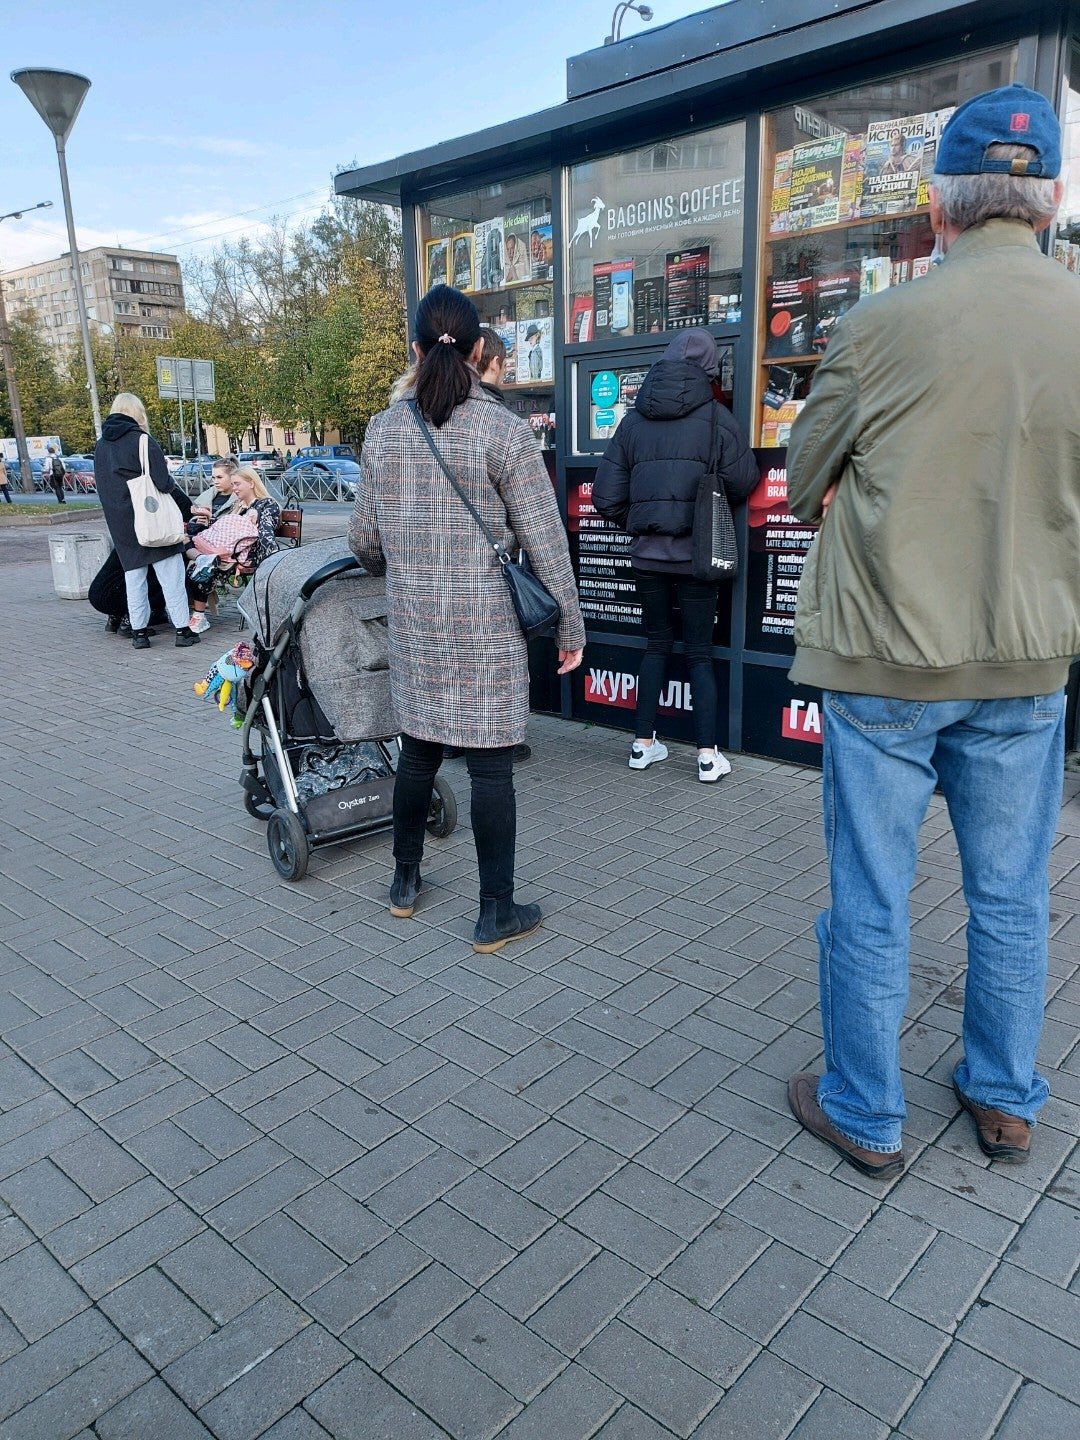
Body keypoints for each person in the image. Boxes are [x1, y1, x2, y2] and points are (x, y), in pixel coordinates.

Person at [783, 84, 1080, 1178]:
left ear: (940, 207)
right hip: (1026, 658)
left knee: (872, 892)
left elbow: (804, 477)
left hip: (886, 658)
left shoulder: (876, 325)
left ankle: (866, 1112)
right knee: (1012, 895)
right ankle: (1004, 1101)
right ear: (1045, 201)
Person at [349, 285, 584, 953]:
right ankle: (494, 914)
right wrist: (571, 625)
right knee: (489, 769)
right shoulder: (505, 432)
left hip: (417, 622)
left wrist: (403, 560)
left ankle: (403, 885)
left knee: (418, 749)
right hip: (486, 625)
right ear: (480, 350)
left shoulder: (384, 430)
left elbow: (364, 540)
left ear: (416, 350)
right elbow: (545, 540)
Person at [592, 329, 757, 782]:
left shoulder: (632, 421)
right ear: (709, 370)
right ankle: (707, 757)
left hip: (647, 558)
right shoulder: (716, 418)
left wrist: (643, 523)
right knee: (699, 654)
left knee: (656, 646)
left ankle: (642, 746)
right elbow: (745, 482)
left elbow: (606, 496)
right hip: (698, 556)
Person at [94, 393, 200, 649]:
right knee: (171, 575)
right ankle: (183, 631)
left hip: (121, 525)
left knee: (134, 579)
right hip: (151, 519)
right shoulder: (142, 441)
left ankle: (139, 633)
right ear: (137, 412)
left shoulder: (100, 446)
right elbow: (163, 483)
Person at [89, 484, 196, 635]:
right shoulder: (160, 532)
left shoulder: (133, 521)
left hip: (99, 593)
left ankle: (123, 616)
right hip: (113, 596)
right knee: (171, 571)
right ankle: (132, 620)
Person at [184, 465, 280, 632]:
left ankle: (198, 615)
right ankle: (195, 610)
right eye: (233, 484)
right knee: (185, 549)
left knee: (198, 567)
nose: (234, 489)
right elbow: (227, 531)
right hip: (230, 551)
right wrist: (209, 519)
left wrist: (273, 562)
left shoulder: (266, 504)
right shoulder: (240, 504)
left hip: (246, 555)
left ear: (251, 483)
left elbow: (266, 534)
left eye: (237, 484)